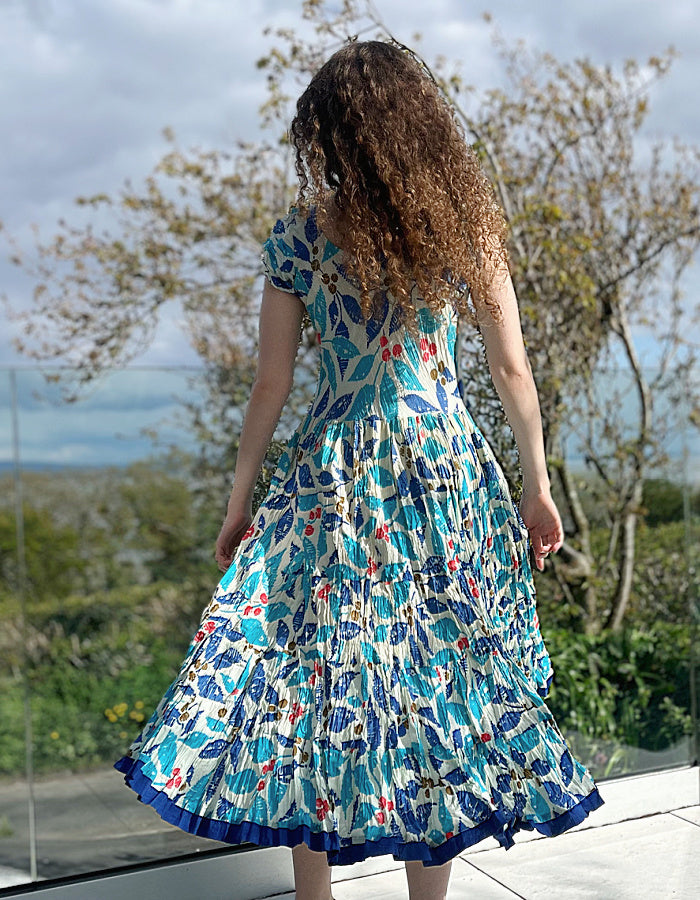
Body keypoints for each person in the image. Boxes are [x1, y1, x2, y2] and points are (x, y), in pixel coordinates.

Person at [115, 40, 603, 900]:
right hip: (440, 470)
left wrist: (241, 503)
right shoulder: (466, 225)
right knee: (438, 675)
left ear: (330, 135)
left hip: (333, 477)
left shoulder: (301, 235)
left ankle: (314, 897)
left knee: (311, 674)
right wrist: (536, 483)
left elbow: (270, 385)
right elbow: (512, 371)